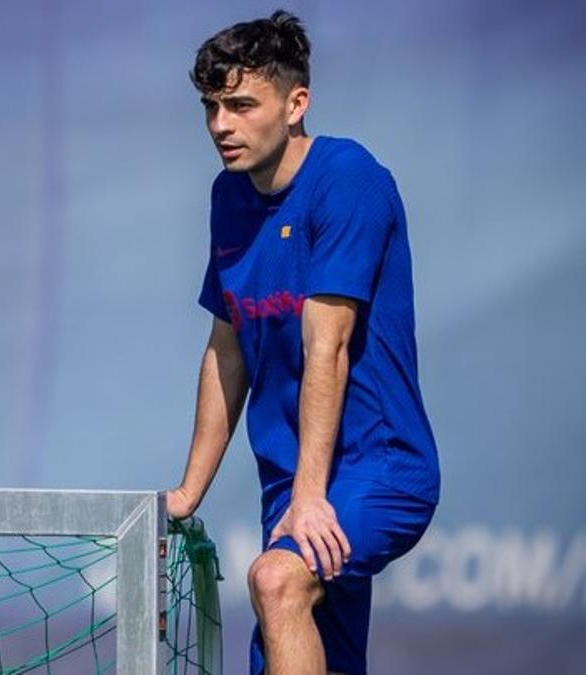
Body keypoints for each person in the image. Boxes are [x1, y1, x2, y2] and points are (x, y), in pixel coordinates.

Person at [165, 10, 440, 675]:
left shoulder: (349, 179)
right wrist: (187, 492)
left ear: (296, 103)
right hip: (289, 480)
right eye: (211, 106)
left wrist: (312, 497)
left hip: (379, 465)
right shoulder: (228, 196)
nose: (219, 125)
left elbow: (329, 347)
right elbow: (226, 349)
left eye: (240, 105)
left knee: (277, 582)